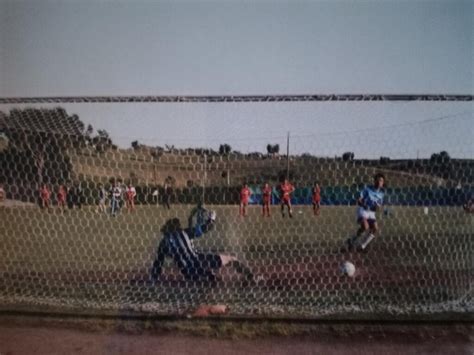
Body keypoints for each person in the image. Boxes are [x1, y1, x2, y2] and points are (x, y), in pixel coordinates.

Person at [150, 210, 255, 284]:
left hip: (187, 273)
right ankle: (251, 277)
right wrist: (212, 218)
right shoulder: (186, 232)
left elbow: (158, 264)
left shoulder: (164, 243)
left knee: (210, 279)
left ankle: (209, 279)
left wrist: (153, 281)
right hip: (199, 261)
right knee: (232, 260)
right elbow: (207, 228)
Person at [345, 173, 385, 252]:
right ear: (375, 180)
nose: (380, 182)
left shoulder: (381, 194)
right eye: (379, 180)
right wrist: (363, 203)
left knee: (375, 229)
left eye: (382, 181)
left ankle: (362, 246)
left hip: (371, 212)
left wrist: (378, 206)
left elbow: (379, 205)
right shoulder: (367, 189)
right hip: (363, 210)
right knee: (365, 227)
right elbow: (359, 199)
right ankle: (352, 241)